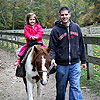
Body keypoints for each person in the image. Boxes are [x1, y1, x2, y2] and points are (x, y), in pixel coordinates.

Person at [49, 7, 86, 100]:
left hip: (75, 64)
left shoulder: (76, 27)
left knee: (75, 87)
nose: (64, 17)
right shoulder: (55, 30)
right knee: (61, 89)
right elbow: (52, 47)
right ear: (59, 16)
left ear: (69, 14)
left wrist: (83, 61)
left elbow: (81, 45)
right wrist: (52, 58)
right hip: (61, 65)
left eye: (66, 14)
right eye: (62, 15)